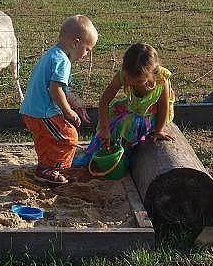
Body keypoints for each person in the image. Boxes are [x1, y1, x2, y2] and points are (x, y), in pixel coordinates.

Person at [20, 15, 98, 185]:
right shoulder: (62, 61)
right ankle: (51, 169)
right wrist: (68, 111)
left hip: (31, 111)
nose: (86, 55)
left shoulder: (53, 54)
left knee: (47, 139)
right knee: (69, 137)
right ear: (76, 43)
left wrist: (76, 104)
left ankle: (45, 167)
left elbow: (63, 90)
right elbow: (55, 90)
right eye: (87, 50)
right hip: (43, 113)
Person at [73, 42, 175, 167]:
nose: (131, 83)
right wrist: (104, 128)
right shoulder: (123, 74)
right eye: (129, 79)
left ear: (152, 74)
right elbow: (104, 101)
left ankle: (124, 153)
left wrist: (159, 130)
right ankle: (102, 147)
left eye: (138, 81)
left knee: (129, 122)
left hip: (153, 116)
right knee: (113, 111)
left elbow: (163, 107)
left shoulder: (161, 79)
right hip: (135, 108)